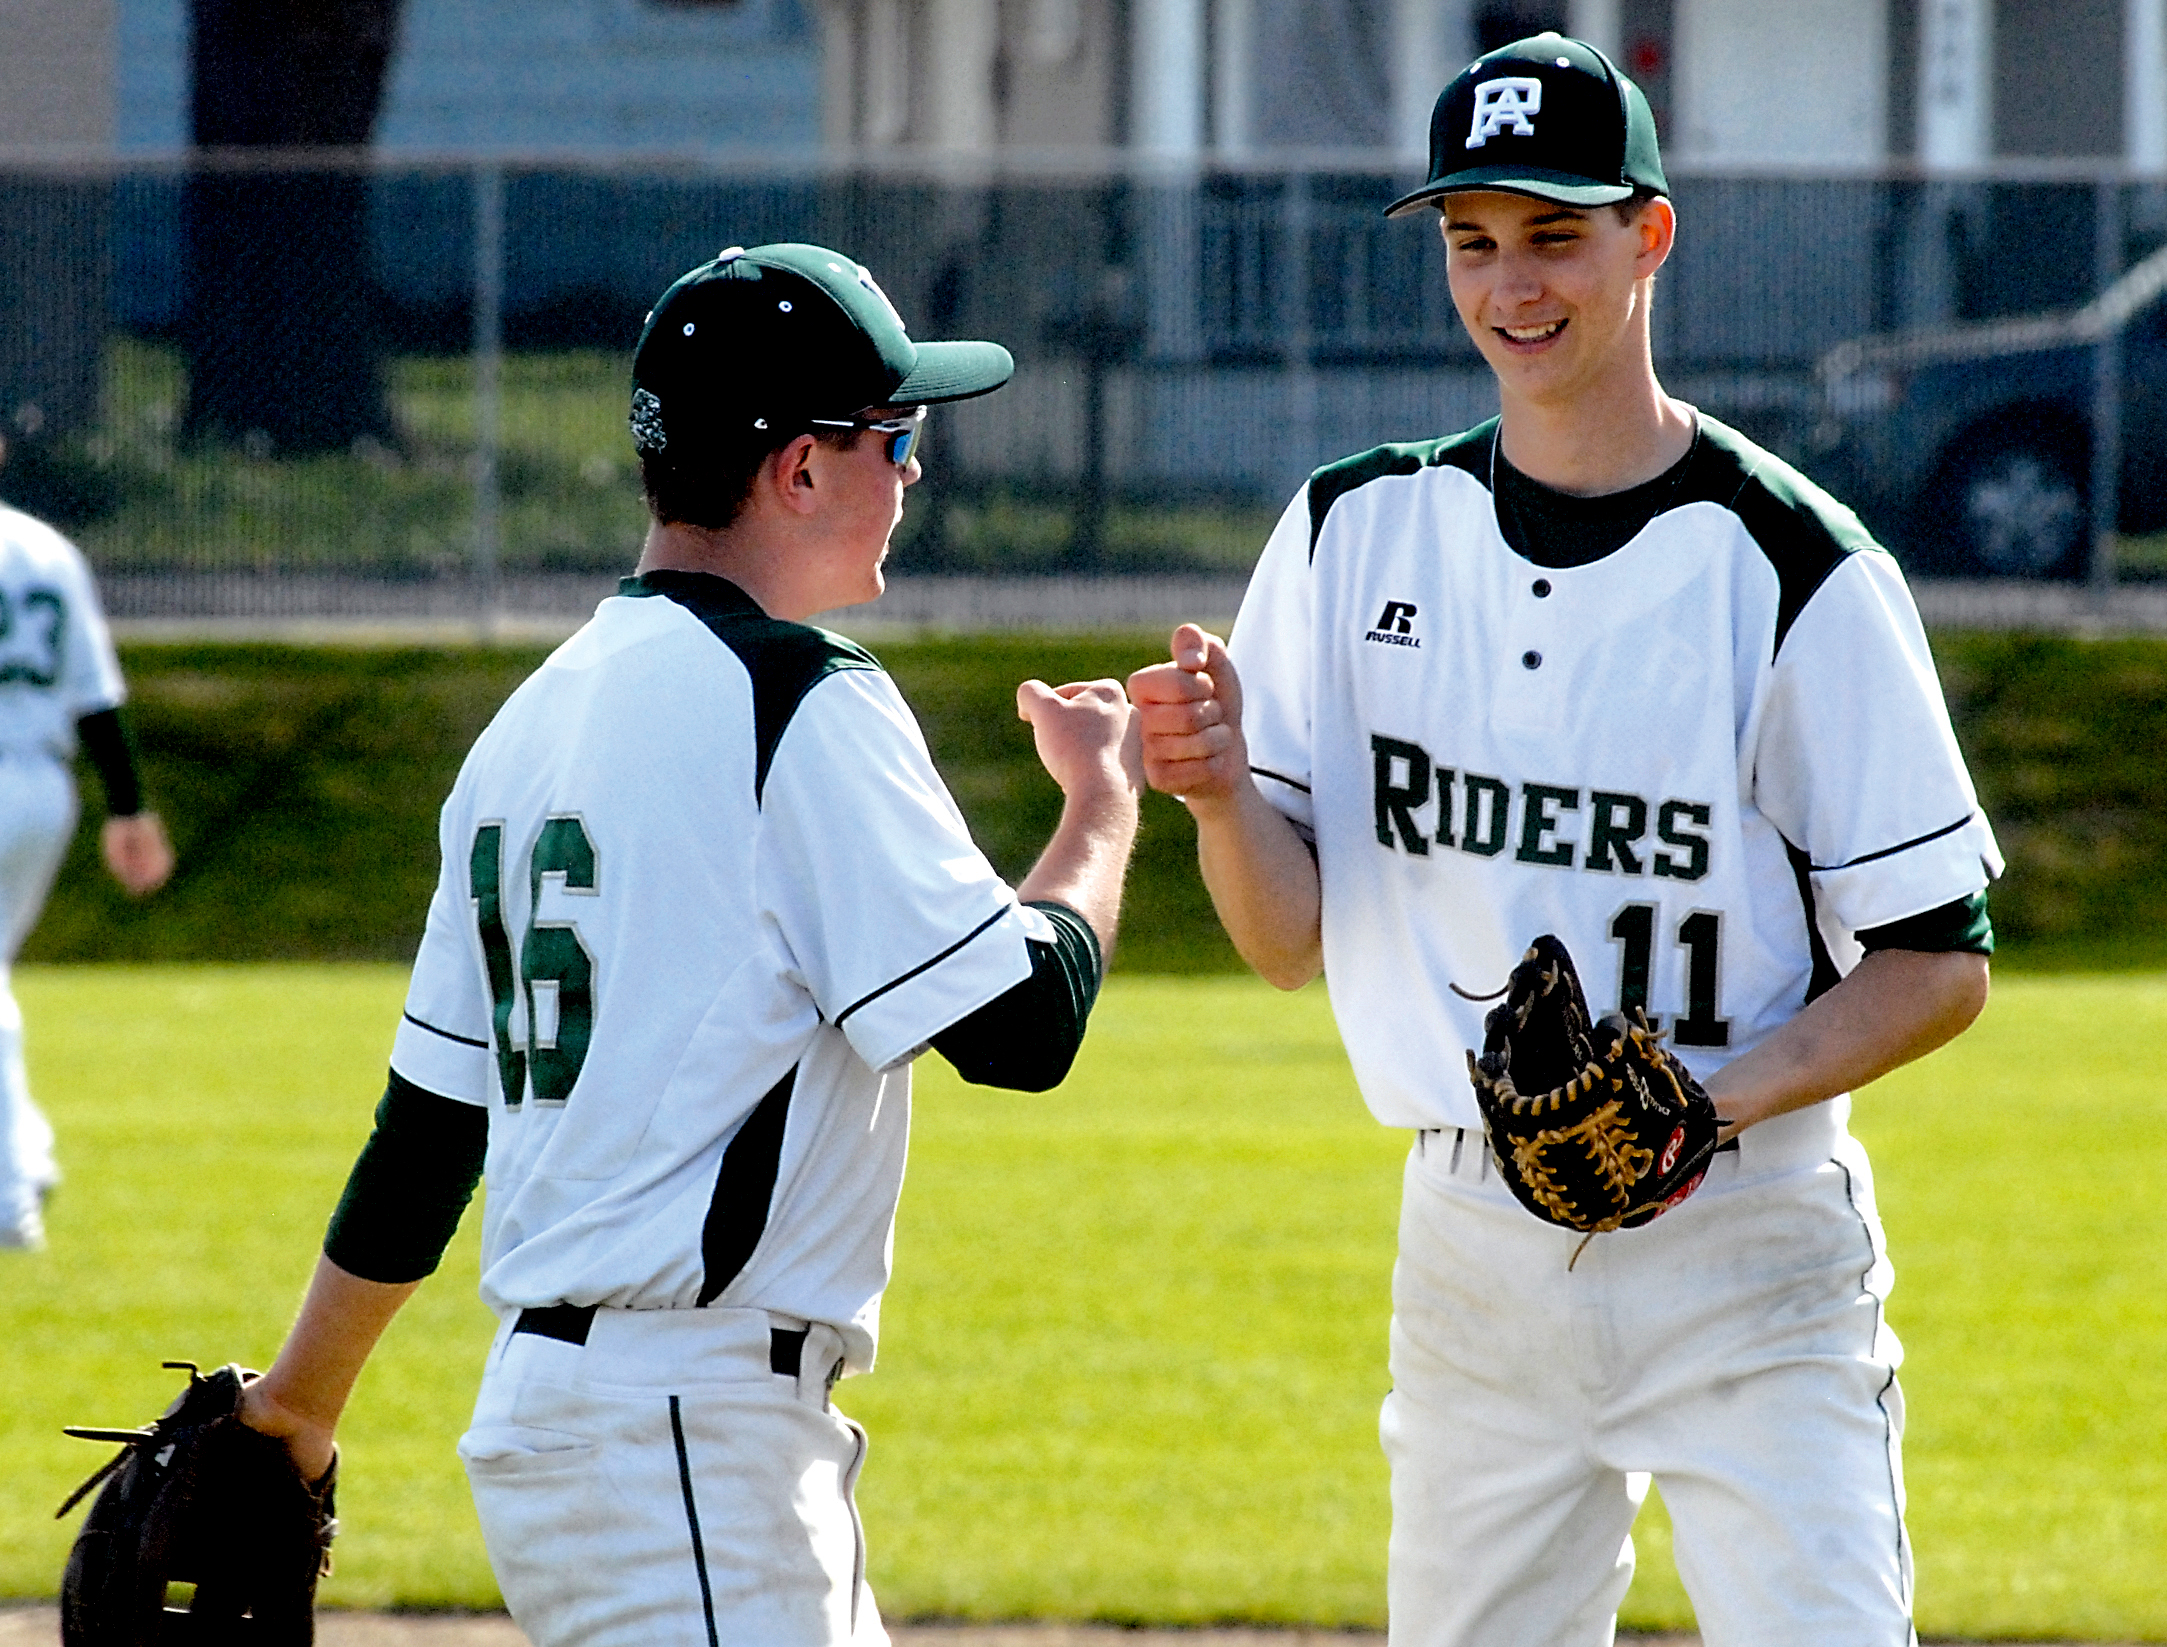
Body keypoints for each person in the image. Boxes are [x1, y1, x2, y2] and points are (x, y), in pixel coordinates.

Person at [1129, 35, 1998, 1647]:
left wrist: (1701, 1106)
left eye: (1552, 234)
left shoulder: (1791, 566)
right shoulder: (1349, 531)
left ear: (1646, 235)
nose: (1508, 283)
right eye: (1470, 240)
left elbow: (1936, 960)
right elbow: (1283, 940)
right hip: (1471, 1239)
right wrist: (1217, 794)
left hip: (1743, 1234)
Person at [231, 243, 1143, 1644]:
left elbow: (425, 1136)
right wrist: (1100, 804)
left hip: (564, 1430)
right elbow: (1021, 1027)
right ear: (800, 468)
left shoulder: (526, 724)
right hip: (688, 1436)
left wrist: (300, 1402)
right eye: (897, 438)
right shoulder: (794, 696)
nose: (912, 475)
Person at [0, 444, 175, 1252]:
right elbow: (96, 698)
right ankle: (28, 1150)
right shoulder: (45, 548)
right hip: (43, 786)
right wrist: (128, 806)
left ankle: (10, 1196)